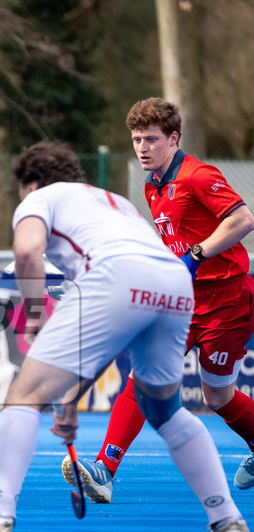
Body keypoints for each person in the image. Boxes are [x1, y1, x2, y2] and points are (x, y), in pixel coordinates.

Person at [0, 141, 249, 532]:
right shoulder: (116, 203)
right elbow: (117, 321)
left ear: (29, 184)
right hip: (175, 283)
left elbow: (27, 251)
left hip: (118, 279)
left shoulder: (40, 199)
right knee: (164, 410)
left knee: (23, 396)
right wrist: (71, 400)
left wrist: (33, 315)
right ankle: (228, 524)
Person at [65, 98, 254, 503]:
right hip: (182, 299)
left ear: (173, 138)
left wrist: (198, 254)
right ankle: (103, 468)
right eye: (136, 139)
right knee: (143, 376)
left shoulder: (198, 175)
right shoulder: (153, 185)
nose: (142, 148)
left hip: (227, 302)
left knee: (216, 396)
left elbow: (242, 220)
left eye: (151, 139)